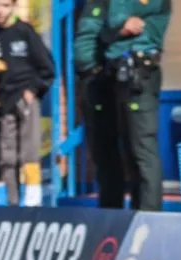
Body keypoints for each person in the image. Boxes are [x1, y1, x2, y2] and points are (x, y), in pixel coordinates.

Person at [101, 0, 171, 211]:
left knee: (143, 148)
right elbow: (107, 32)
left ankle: (150, 215)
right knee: (131, 149)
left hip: (140, 75)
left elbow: (120, 21)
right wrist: (119, 30)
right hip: (122, 76)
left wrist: (119, 30)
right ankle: (138, 210)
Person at [0, 0, 54, 207]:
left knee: (29, 153)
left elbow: (47, 67)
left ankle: (33, 202)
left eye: (5, 5)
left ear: (13, 6)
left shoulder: (25, 31)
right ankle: (12, 202)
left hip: (25, 99)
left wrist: (33, 90)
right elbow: (2, 68)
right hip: (6, 99)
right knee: (7, 156)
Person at [75, 0, 124, 208]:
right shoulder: (88, 5)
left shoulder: (115, 5)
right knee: (97, 148)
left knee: (108, 147)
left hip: (102, 79)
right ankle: (106, 202)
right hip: (87, 81)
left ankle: (113, 205)